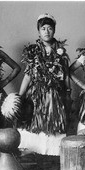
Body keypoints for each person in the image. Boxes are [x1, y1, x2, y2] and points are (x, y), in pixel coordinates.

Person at [17, 13, 72, 156]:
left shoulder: (61, 52)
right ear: (38, 31)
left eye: (49, 28)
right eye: (43, 28)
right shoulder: (33, 51)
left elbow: (65, 75)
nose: (47, 32)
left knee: (54, 130)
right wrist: (20, 96)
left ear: (54, 30)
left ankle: (53, 161)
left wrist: (68, 93)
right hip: (37, 95)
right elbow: (28, 75)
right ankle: (37, 163)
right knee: (36, 129)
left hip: (55, 96)